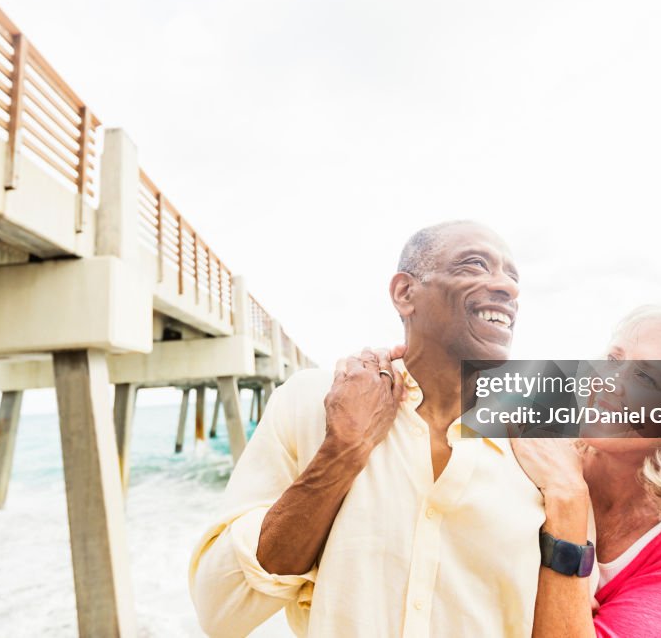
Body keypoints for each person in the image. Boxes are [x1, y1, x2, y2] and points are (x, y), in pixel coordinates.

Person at [189, 220, 566, 637]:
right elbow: (219, 610)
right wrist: (343, 451)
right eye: (475, 265)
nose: (507, 288)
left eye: (513, 277)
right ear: (405, 293)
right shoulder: (312, 402)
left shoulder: (541, 444)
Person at [510, 305, 661, 637]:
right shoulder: (529, 450)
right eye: (613, 360)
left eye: (646, 377)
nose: (609, 381)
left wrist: (569, 498)